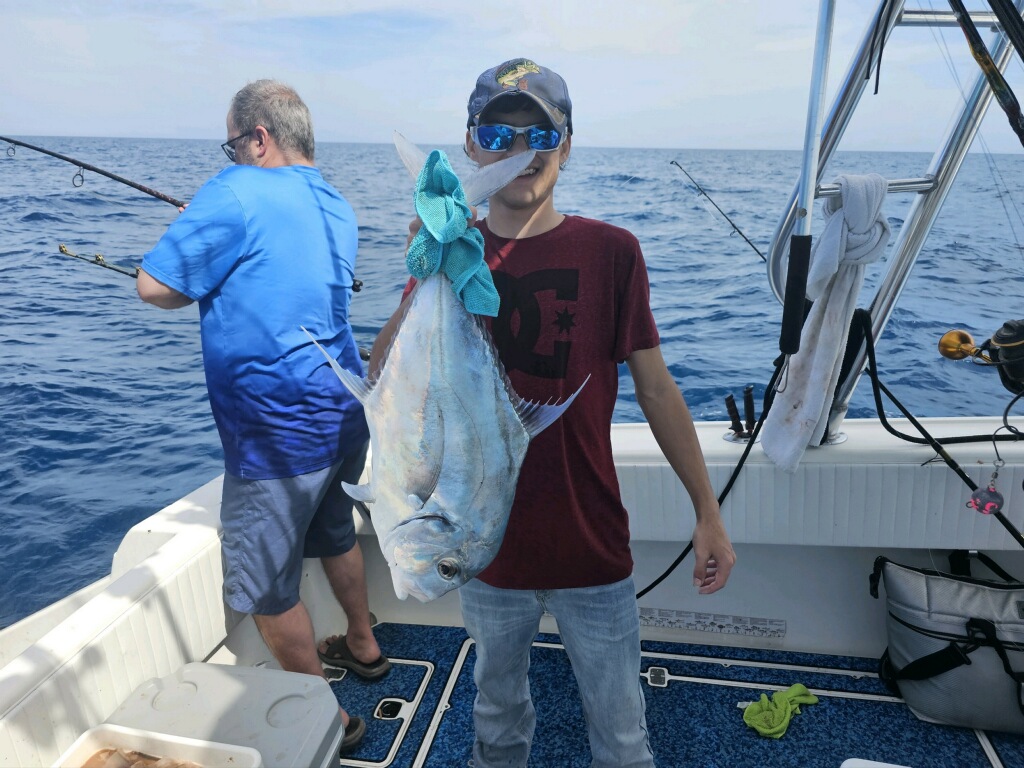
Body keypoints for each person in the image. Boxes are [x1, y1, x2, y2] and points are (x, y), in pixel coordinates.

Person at [373, 59, 737, 767]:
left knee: (622, 731)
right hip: (478, 549)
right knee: (497, 718)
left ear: (566, 145)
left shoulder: (612, 252)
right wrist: (426, 270)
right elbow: (384, 377)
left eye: (541, 133)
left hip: (589, 542)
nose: (520, 150)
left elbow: (657, 390)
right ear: (472, 146)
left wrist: (708, 510)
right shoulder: (452, 252)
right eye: (498, 132)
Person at [136, 79, 388, 752]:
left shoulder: (233, 190)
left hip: (275, 433)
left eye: (233, 143)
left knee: (264, 586)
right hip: (343, 411)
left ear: (259, 137)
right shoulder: (337, 203)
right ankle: (364, 646)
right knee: (334, 531)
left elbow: (154, 287)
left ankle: (328, 721)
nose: (233, 154)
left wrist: (202, 222)